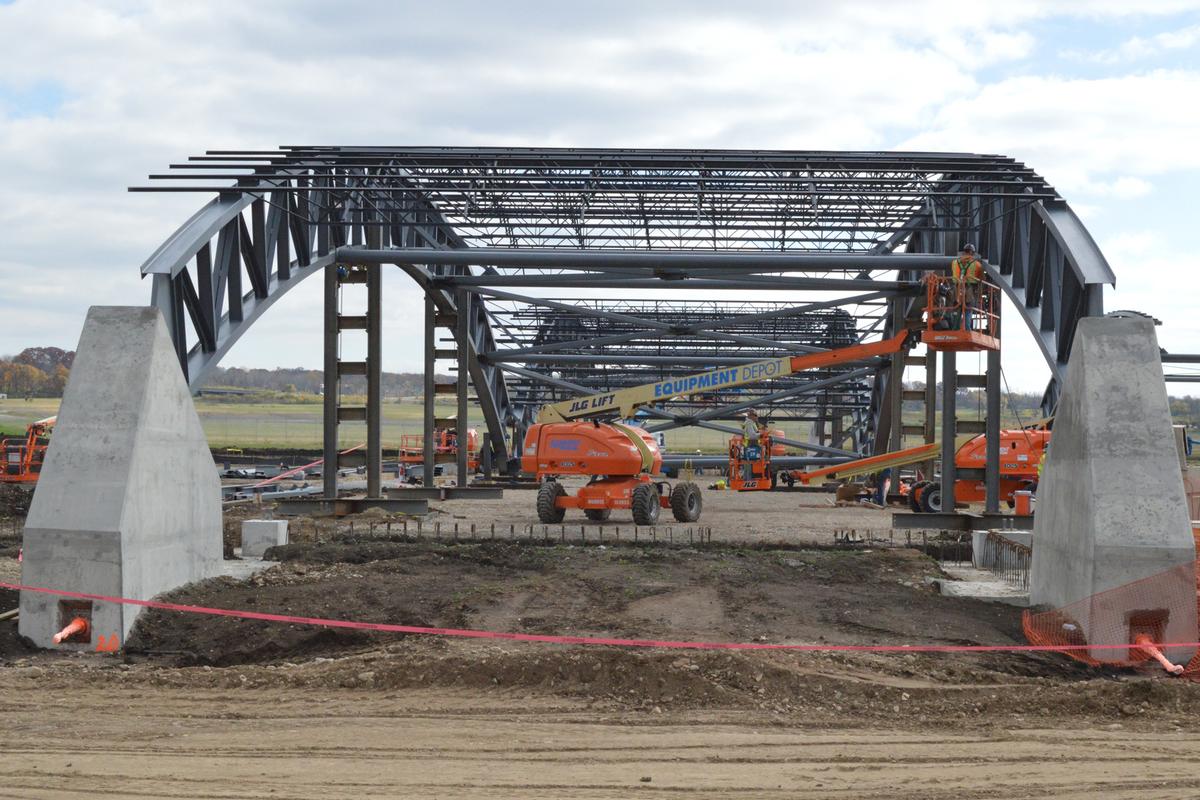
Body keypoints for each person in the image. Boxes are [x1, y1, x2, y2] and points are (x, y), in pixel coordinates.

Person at [950, 243, 985, 328]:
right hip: (969, 290)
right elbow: (982, 279)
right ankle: (967, 329)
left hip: (956, 289)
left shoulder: (954, 262)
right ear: (972, 253)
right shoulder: (977, 265)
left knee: (957, 309)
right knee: (968, 309)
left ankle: (955, 329)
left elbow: (954, 274)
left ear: (963, 252)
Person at [741, 410, 759, 482]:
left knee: (747, 464)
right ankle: (748, 480)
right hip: (749, 446)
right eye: (755, 415)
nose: (757, 417)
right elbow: (752, 436)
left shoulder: (750, 423)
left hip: (747, 445)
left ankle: (746, 478)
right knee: (749, 464)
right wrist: (761, 434)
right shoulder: (749, 423)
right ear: (751, 416)